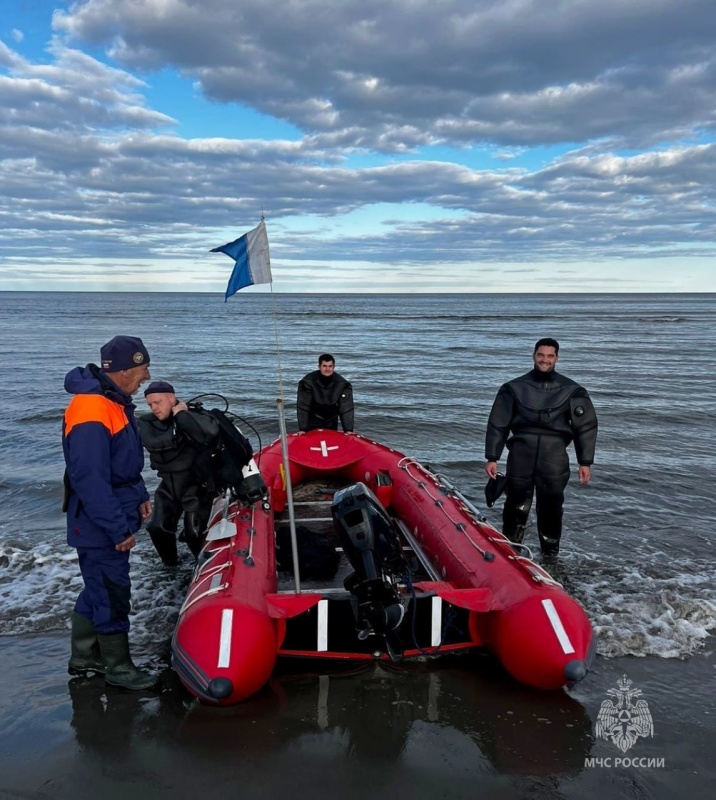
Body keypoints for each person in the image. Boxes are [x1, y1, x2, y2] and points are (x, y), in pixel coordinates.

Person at [62, 335, 158, 690]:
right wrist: (119, 529)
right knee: (111, 590)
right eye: (143, 368)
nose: (146, 376)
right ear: (123, 370)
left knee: (98, 587)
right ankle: (118, 667)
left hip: (114, 509)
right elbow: (89, 479)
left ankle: (86, 656)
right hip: (99, 521)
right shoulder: (92, 408)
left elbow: (122, 464)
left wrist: (140, 495)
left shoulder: (114, 401)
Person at [484, 338, 598, 558]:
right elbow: (498, 423)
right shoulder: (513, 388)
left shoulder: (573, 391)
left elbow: (585, 428)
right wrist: (492, 456)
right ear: (534, 355)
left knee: (551, 509)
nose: (545, 360)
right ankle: (512, 554)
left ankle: (550, 556)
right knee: (515, 506)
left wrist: (585, 462)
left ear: (557, 358)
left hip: (553, 458)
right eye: (541, 355)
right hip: (520, 455)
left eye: (550, 356)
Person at [138, 381, 221, 565]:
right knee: (157, 528)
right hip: (168, 485)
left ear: (171, 398)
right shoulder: (146, 424)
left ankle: (203, 569)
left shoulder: (193, 417)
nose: (154, 408)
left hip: (195, 485)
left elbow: (211, 433)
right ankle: (171, 567)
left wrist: (182, 415)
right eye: (150, 404)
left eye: (158, 402)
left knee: (193, 532)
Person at [297, 353, 354, 432]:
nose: (327, 369)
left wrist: (348, 430)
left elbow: (346, 409)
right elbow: (303, 407)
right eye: (324, 366)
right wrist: (303, 429)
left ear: (334, 367)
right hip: (313, 421)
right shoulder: (307, 382)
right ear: (319, 367)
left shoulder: (342, 384)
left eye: (330, 366)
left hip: (332, 421)